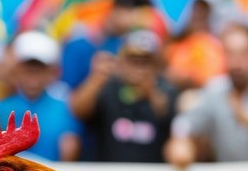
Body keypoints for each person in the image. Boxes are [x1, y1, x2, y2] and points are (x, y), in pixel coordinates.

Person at [165, 24, 248, 168]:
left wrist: (243, 114)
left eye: (243, 54)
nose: (236, 62)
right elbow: (186, 123)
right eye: (230, 54)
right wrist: (180, 139)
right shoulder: (215, 89)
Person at [70, 29, 177, 163]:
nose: (138, 68)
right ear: (122, 61)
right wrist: (96, 79)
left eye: (145, 62)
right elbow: (78, 111)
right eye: (133, 61)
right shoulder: (107, 87)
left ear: (156, 66)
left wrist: (151, 93)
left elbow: (167, 116)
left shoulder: (166, 90)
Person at [0, 31, 79, 162]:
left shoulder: (65, 108)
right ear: (17, 70)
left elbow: (69, 151)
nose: (33, 79)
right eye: (28, 71)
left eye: (39, 71)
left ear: (51, 72)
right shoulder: (1, 108)